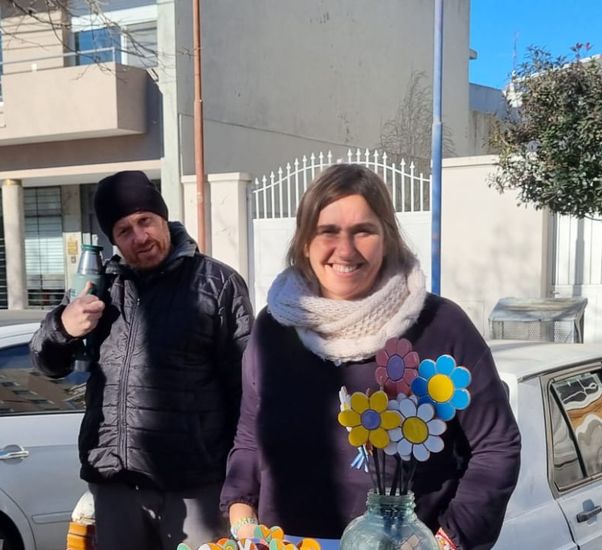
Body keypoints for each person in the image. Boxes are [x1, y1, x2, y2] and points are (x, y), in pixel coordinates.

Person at [220, 164, 522, 550]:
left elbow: (496, 446)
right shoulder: (273, 328)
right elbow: (249, 439)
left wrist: (449, 539)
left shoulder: (441, 326)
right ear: (304, 241)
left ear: (387, 238)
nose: (345, 250)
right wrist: (244, 521)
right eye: (327, 231)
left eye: (363, 231)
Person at [30, 170, 254, 550]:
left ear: (163, 217)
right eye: (124, 231)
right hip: (116, 483)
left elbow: (247, 389)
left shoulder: (217, 284)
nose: (139, 237)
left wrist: (240, 483)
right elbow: (48, 365)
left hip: (194, 486)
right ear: (113, 241)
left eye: (145, 221)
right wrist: (63, 328)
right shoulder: (101, 287)